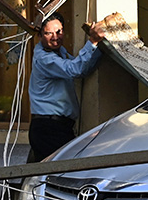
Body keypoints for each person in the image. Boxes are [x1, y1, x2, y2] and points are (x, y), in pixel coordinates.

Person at [27, 12, 105, 162]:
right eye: (48, 33)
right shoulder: (44, 58)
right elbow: (74, 69)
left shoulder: (59, 52)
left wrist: (101, 49)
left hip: (59, 127)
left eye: (59, 31)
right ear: (40, 35)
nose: (55, 37)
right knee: (60, 171)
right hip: (48, 128)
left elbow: (82, 70)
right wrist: (92, 42)